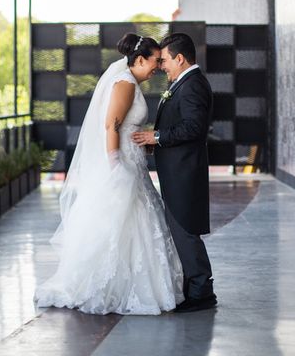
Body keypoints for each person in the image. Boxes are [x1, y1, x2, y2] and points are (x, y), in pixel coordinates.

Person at [34, 33, 184, 315]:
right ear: (139, 59)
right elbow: (111, 126)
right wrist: (115, 164)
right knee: (122, 223)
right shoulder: (125, 83)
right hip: (123, 164)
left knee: (134, 223)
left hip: (134, 160)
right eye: (154, 61)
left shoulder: (130, 82)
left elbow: (124, 125)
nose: (157, 67)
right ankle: (113, 287)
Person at [132, 32, 216, 313]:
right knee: (182, 230)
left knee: (185, 231)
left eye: (165, 60)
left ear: (180, 59)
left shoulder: (192, 86)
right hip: (178, 170)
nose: (162, 66)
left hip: (185, 173)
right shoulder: (185, 83)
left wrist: (156, 137)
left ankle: (201, 292)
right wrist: (156, 142)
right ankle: (195, 287)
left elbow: (194, 128)